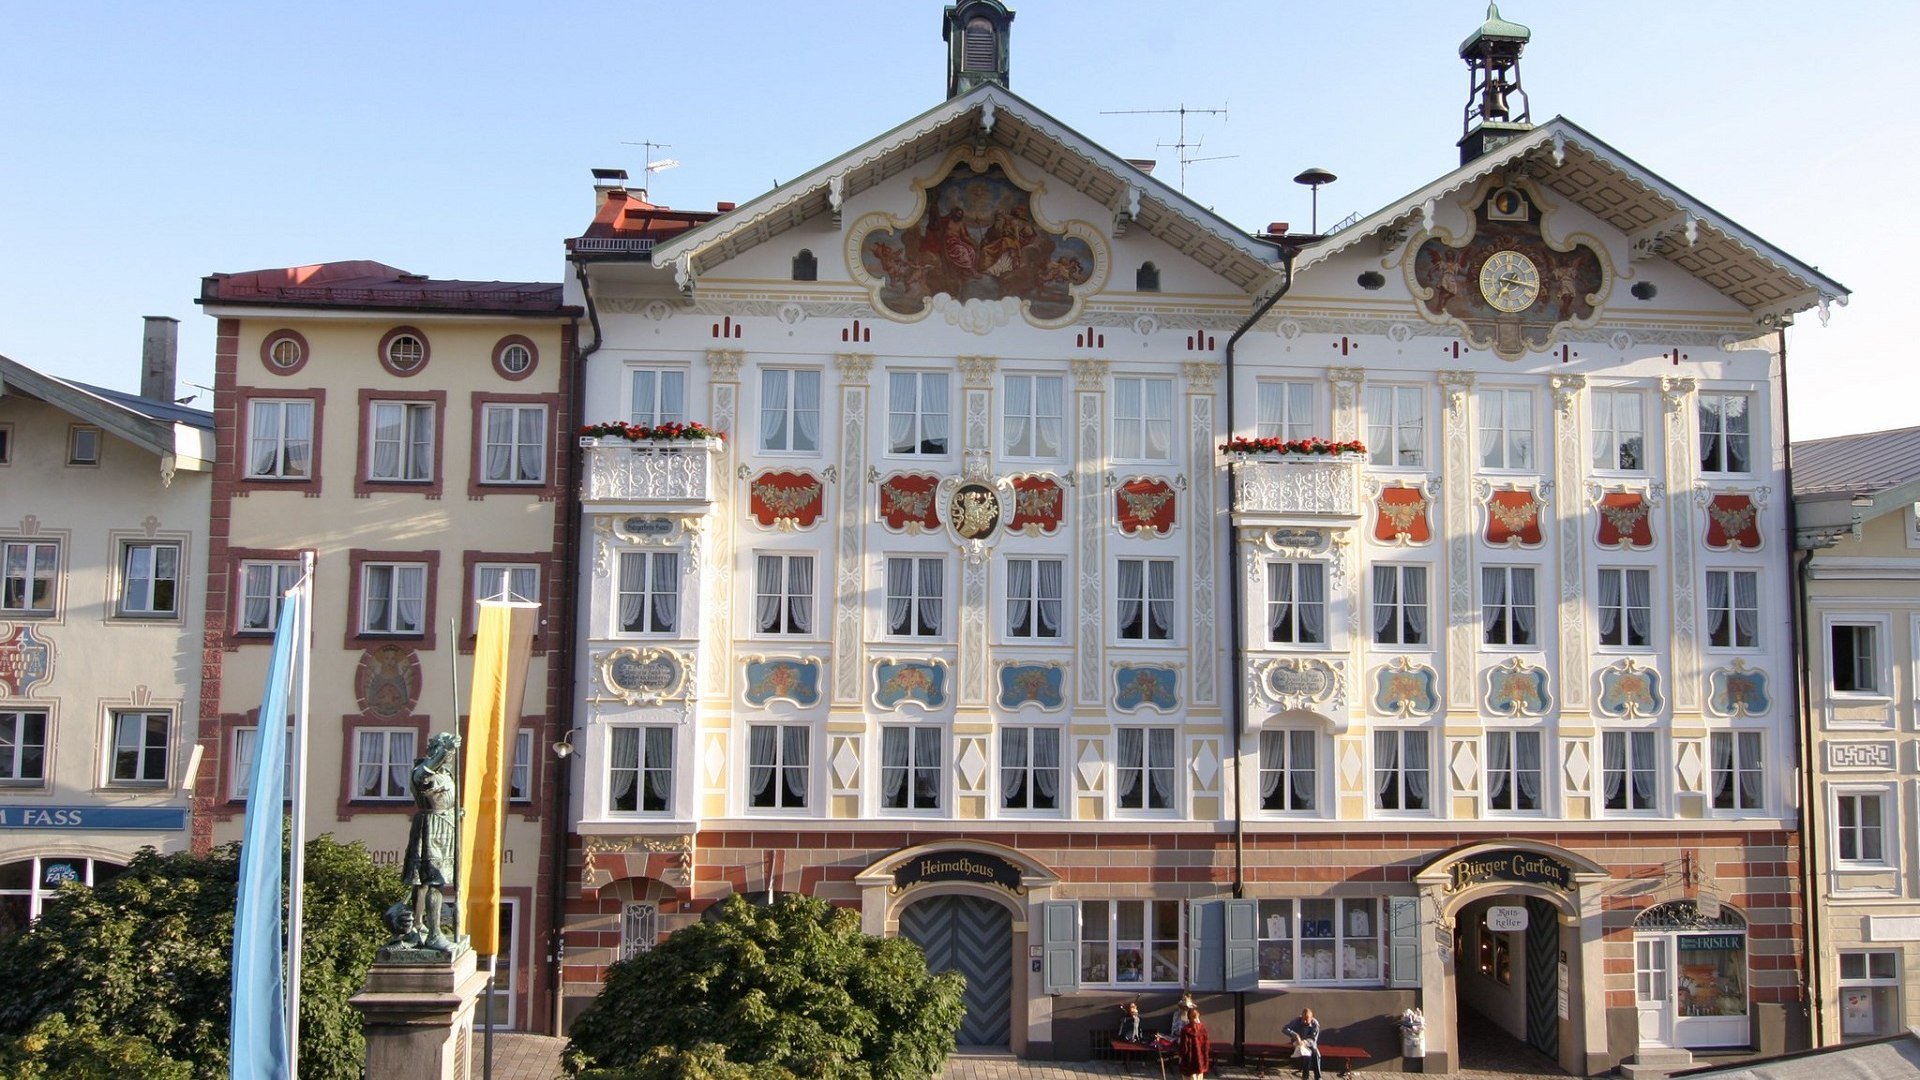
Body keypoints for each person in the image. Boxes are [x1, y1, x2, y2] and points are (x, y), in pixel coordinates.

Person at [402, 731, 461, 954]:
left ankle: (420, 926)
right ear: (435, 750)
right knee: (433, 880)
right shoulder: (423, 770)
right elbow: (422, 780)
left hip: (445, 827)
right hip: (431, 827)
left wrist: (456, 812)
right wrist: (443, 751)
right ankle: (433, 934)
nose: (450, 757)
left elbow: (444, 800)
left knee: (424, 881)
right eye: (447, 752)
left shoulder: (446, 774)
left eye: (452, 753)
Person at [1284, 1006, 1323, 1080]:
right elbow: (1284, 1029)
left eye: (1307, 1019)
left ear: (1311, 1018)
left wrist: (1304, 1042)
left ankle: (1318, 1077)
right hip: (1297, 1044)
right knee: (1307, 1055)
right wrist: (1295, 1035)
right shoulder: (1297, 1020)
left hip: (1309, 1044)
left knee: (1315, 1053)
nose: (1304, 1021)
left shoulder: (1315, 1024)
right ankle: (1305, 1077)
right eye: (1303, 1019)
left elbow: (1313, 1040)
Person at [1175, 1005, 1210, 1080]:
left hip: (1189, 1062)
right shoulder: (1202, 1028)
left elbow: (1184, 1048)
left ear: (1189, 1018)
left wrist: (1180, 1057)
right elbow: (1206, 1045)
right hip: (1200, 1062)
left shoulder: (1185, 1030)